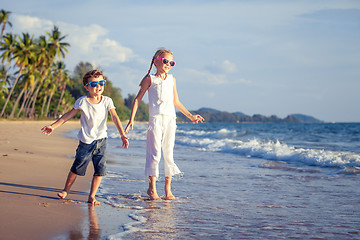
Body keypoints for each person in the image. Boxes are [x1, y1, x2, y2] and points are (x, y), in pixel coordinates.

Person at [125, 48, 204, 200]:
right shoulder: (150, 79)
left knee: (168, 153)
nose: (168, 64)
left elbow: (176, 102)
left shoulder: (172, 79)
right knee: (155, 154)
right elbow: (137, 99)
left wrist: (190, 116)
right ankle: (152, 189)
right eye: (165, 61)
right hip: (155, 120)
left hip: (170, 120)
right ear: (156, 61)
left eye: (171, 62)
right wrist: (131, 119)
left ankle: (168, 190)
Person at [41, 70, 129, 205]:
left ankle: (92, 196)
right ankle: (65, 190)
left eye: (101, 83)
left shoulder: (107, 101)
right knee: (77, 167)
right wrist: (53, 126)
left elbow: (115, 117)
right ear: (87, 87)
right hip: (86, 141)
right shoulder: (82, 101)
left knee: (100, 170)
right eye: (94, 84)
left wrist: (122, 134)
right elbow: (68, 115)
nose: (98, 86)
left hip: (102, 141)